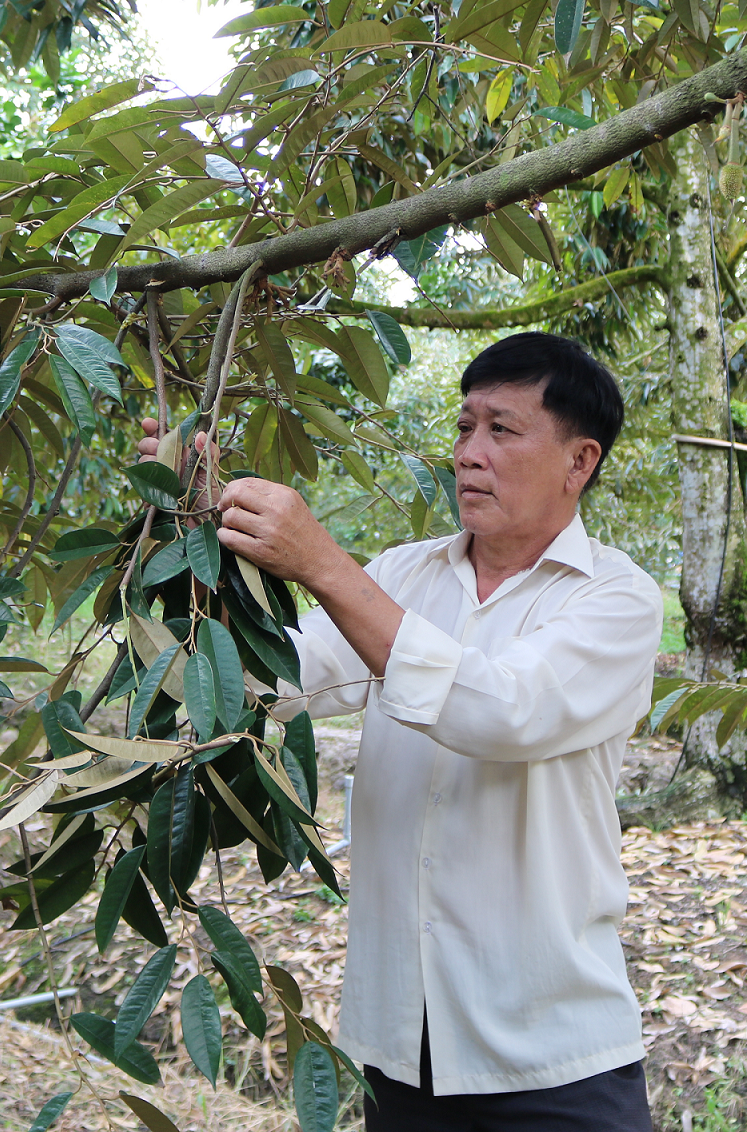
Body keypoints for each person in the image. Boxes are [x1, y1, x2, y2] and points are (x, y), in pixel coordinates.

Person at [137, 331, 662, 1131]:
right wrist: (201, 537)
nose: (469, 454)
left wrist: (323, 563)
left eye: (502, 429)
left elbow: (500, 712)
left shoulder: (616, 601)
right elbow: (270, 682)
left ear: (579, 461)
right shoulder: (403, 577)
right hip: (400, 1044)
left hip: (554, 1053)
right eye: (463, 427)